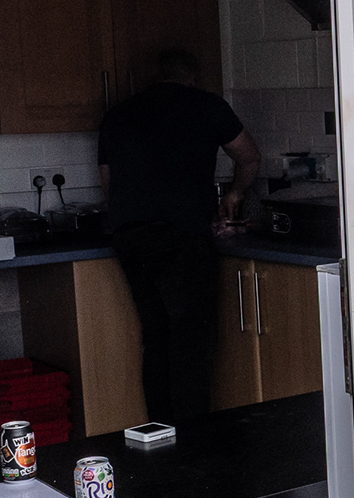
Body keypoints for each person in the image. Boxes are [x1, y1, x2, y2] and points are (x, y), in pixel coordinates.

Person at [97, 48, 259, 424]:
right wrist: (234, 195)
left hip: (131, 237)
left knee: (156, 336)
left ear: (154, 77)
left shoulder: (117, 114)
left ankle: (161, 435)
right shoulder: (208, 106)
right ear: (192, 78)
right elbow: (249, 156)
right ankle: (192, 437)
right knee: (191, 341)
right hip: (182, 238)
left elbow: (108, 183)